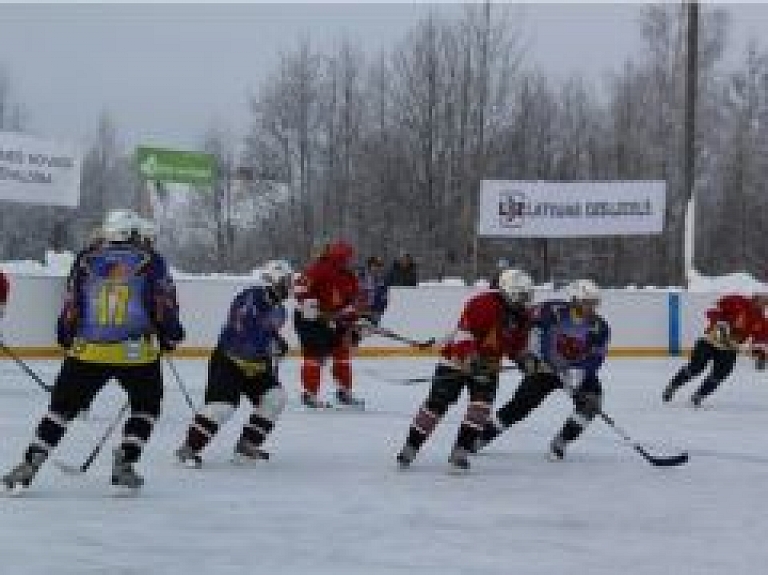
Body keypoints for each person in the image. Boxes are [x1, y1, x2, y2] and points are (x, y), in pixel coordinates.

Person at [2, 210, 185, 492]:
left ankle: (30, 463)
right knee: (146, 406)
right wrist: (171, 335)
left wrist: (66, 339)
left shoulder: (85, 258)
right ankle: (125, 462)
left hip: (87, 351)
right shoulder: (151, 262)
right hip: (136, 354)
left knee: (61, 409)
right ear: (130, 234)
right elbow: (163, 302)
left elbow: (71, 303)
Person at [395, 269, 535, 472]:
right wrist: (470, 359)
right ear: (508, 290)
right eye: (522, 295)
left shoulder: (523, 316)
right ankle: (411, 446)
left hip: (488, 365)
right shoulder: (482, 304)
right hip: (456, 360)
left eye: (527, 296)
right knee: (436, 405)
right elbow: (463, 336)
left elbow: (516, 345)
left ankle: (461, 450)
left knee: (480, 409)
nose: (525, 300)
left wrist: (524, 359)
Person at [475, 279, 611, 461]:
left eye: (594, 303)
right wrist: (531, 357)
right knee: (519, 406)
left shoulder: (600, 327)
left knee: (591, 403)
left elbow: (596, 358)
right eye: (587, 303)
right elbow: (530, 329)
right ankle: (482, 437)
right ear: (575, 300)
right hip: (543, 369)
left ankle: (561, 443)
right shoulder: (551, 310)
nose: (592, 308)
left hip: (574, 371)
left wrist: (578, 374)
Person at [175, 260, 293, 467]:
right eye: (286, 281)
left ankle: (247, 445)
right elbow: (241, 332)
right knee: (222, 407)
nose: (289, 286)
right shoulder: (249, 298)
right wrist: (267, 346)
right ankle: (188, 448)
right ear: (272, 281)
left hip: (256, 366)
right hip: (229, 362)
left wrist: (277, 343)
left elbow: (268, 332)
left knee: (275, 398)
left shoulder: (280, 310)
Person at [293, 239, 366, 409]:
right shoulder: (318, 269)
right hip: (309, 320)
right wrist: (310, 305)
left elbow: (352, 302)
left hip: (333, 320)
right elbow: (299, 289)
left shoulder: (349, 276)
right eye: (347, 258)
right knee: (314, 356)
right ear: (338, 257)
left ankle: (344, 391)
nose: (350, 262)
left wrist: (354, 322)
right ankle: (309, 394)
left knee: (342, 353)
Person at [662, 292, 768, 407]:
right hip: (709, 341)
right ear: (755, 297)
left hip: (729, 348)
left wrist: (761, 355)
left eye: (766, 303)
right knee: (696, 367)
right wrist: (720, 322)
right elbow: (712, 310)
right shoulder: (736, 300)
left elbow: (761, 339)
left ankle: (699, 396)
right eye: (763, 299)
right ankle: (673, 386)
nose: (764, 303)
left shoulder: (761, 319)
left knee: (720, 374)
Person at [357, 256, 390, 326]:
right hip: (363, 310)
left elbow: (384, 297)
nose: (377, 268)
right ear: (370, 266)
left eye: (379, 266)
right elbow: (358, 293)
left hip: (376, 311)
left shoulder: (382, 280)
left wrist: (380, 309)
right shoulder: (363, 277)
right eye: (375, 266)